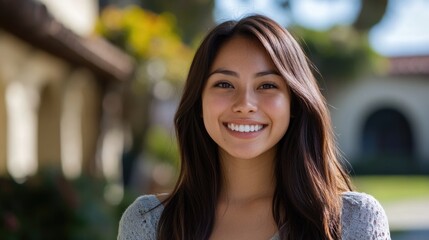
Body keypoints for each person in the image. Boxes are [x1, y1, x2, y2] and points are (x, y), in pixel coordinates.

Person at [118, 14, 390, 240]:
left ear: (295, 103)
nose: (245, 104)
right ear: (198, 103)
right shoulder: (148, 224)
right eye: (224, 84)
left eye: (267, 85)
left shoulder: (354, 221)